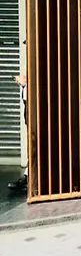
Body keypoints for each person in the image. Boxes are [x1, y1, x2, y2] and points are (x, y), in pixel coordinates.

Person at [8, 45, 28, 192]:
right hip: (30, 112)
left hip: (37, 114)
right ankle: (28, 178)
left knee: (36, 147)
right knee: (33, 147)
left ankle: (28, 179)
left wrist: (25, 84)